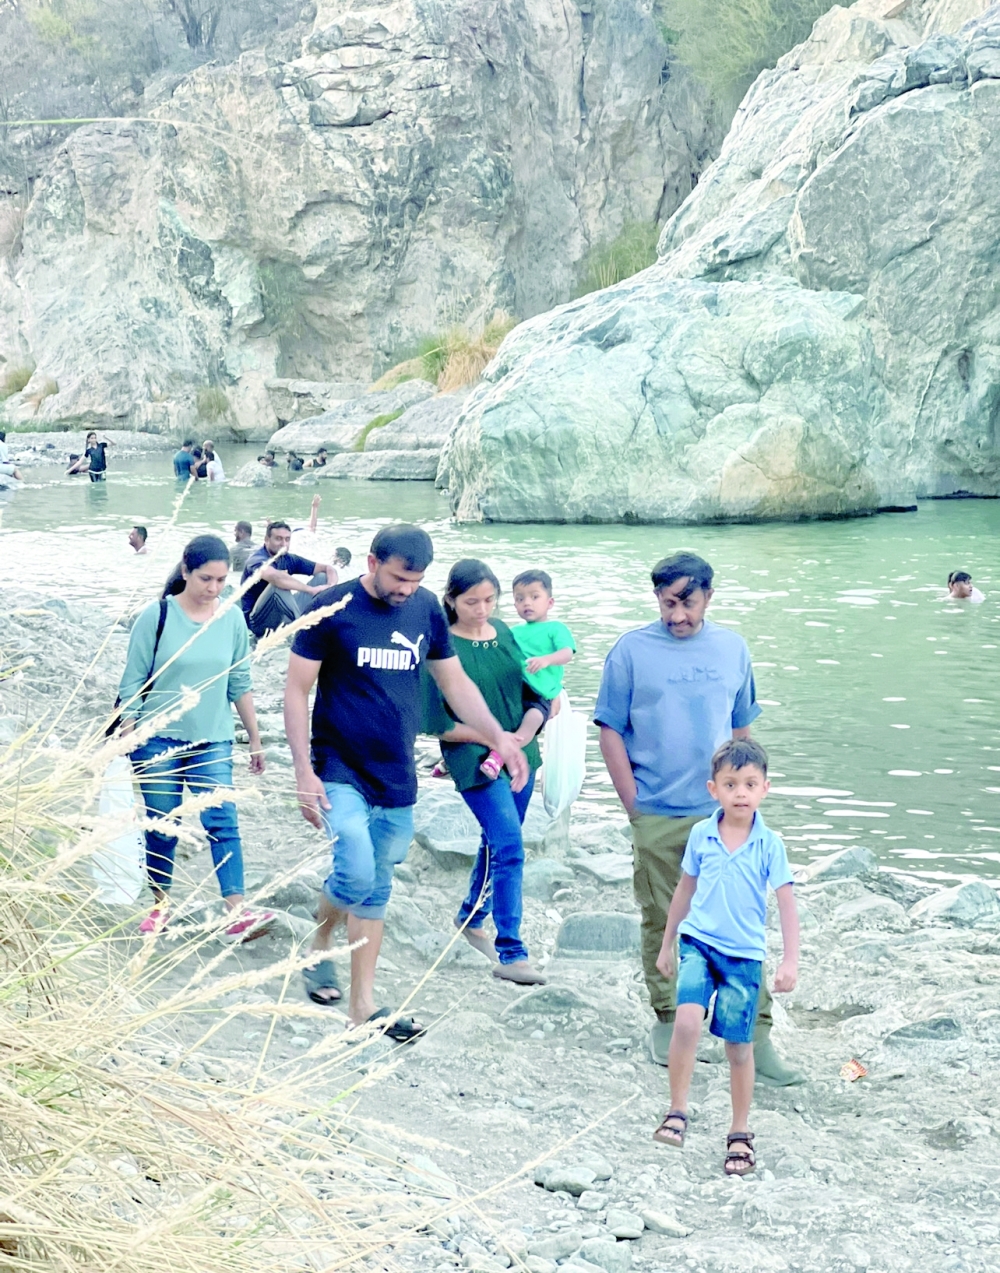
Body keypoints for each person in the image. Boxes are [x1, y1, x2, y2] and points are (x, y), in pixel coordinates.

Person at [284, 525, 530, 1038]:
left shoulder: (425, 611)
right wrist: (303, 771)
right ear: (372, 562)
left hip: (396, 771)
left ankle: (353, 995)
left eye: (416, 580)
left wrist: (501, 740)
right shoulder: (331, 608)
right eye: (398, 577)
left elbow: (454, 683)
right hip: (339, 765)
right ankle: (333, 957)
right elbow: (296, 689)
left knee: (373, 885)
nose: (405, 589)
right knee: (355, 868)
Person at [594, 550, 803, 1085]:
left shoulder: (733, 649)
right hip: (658, 813)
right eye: (667, 603)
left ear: (709, 595)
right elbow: (609, 729)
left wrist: (748, 801)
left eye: (686, 603)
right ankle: (668, 1019)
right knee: (665, 918)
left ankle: (756, 1035)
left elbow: (742, 733)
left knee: (742, 924)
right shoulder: (631, 651)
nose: (676, 615)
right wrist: (633, 806)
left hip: (725, 814)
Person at [653, 739, 799, 1175]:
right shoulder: (702, 834)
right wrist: (667, 942)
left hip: (744, 956)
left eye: (750, 784)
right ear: (712, 788)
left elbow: (786, 902)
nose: (741, 792)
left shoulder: (770, 845)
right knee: (686, 1021)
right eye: (731, 783)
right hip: (698, 942)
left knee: (739, 1046)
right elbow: (685, 890)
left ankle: (739, 1131)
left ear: (765, 789)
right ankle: (677, 1109)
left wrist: (789, 960)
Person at [118, 534, 268, 939]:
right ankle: (160, 906)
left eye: (221, 580)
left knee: (223, 820)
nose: (213, 589)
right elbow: (132, 683)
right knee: (162, 825)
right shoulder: (157, 616)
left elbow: (239, 680)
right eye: (205, 579)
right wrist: (127, 736)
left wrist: (253, 738)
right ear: (185, 571)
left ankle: (236, 911)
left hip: (212, 738)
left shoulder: (232, 618)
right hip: (158, 739)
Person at [425, 559, 550, 984]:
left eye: (490, 600)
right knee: (511, 845)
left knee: (495, 840)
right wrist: (493, 740)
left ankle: (470, 917)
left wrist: (520, 736)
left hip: (521, 752)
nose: (482, 609)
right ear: (451, 601)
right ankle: (511, 950)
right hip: (473, 759)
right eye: (471, 601)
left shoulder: (505, 634)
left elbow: (536, 695)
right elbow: (434, 720)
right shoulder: (442, 647)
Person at [239, 520, 338, 639]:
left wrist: (331, 586)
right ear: (266, 540)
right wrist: (310, 590)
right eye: (278, 539)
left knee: (323, 576)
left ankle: (324, 622)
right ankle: (301, 630)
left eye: (287, 539)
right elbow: (276, 578)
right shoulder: (256, 560)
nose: (283, 543)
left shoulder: (288, 559)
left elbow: (328, 568)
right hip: (258, 622)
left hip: (282, 617)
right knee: (278, 585)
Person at [511, 569, 576, 716]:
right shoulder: (512, 632)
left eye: (534, 597)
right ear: (515, 604)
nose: (527, 603)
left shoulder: (555, 628)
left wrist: (546, 660)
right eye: (520, 599)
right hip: (519, 689)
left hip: (544, 691)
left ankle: (519, 738)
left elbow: (567, 653)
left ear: (550, 602)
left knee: (535, 717)